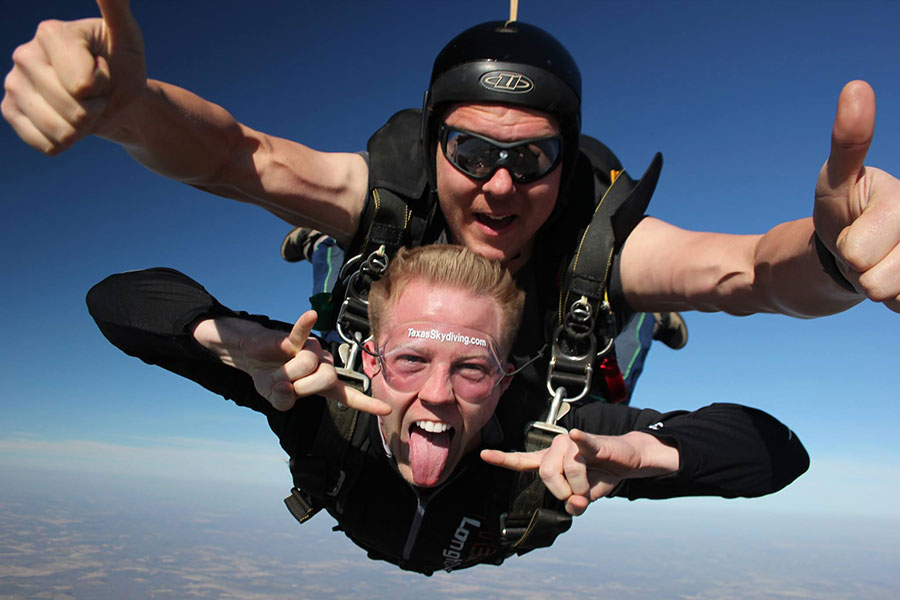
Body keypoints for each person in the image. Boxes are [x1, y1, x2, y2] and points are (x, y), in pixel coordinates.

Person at [85, 244, 809, 575]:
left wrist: (652, 454)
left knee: (603, 380)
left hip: (561, 389)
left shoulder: (554, 442)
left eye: (470, 368)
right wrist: (232, 340)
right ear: (368, 360)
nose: (435, 394)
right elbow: (114, 301)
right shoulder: (313, 392)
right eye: (409, 361)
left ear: (502, 381)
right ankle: (332, 257)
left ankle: (648, 321)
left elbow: (780, 452)